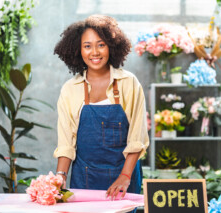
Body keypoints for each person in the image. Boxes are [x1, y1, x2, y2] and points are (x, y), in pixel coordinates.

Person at [53, 14, 149, 202]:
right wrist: (60, 176)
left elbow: (137, 138)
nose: (94, 52)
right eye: (87, 46)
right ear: (78, 50)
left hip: (124, 179)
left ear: (111, 46)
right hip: (84, 180)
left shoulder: (128, 83)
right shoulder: (70, 89)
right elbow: (66, 143)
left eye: (101, 44)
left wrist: (125, 177)